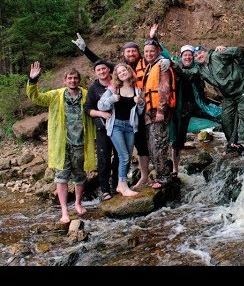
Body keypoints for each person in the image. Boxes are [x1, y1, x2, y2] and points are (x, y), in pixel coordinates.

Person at [72, 32, 170, 190]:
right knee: (129, 150)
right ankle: (127, 182)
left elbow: (156, 55)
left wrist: (167, 59)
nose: (131, 54)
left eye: (134, 51)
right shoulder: (121, 70)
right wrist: (85, 50)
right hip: (124, 118)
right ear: (124, 54)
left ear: (139, 52)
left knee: (146, 145)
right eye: (128, 51)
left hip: (145, 111)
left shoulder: (149, 62)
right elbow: (101, 64)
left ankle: (147, 176)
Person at [26, 61, 96, 224]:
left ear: (79, 80)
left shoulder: (85, 94)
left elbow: (98, 103)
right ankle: (64, 210)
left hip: (80, 143)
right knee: (61, 177)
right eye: (70, 78)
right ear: (64, 80)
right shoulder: (56, 95)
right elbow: (36, 97)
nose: (72, 81)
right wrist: (33, 81)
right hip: (62, 144)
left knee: (80, 175)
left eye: (75, 78)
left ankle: (78, 203)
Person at [172, 45, 244, 155]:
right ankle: (232, 144)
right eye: (196, 55)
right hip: (229, 95)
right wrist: (174, 66)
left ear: (206, 52)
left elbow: (237, 50)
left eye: (200, 53)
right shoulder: (200, 70)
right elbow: (187, 74)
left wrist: (243, 65)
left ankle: (242, 144)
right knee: (226, 117)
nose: (199, 56)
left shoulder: (217, 55)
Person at [169, 45, 222, 174]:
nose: (187, 57)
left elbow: (209, 60)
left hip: (198, 105)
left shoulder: (197, 69)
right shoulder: (175, 68)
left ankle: (233, 144)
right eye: (185, 55)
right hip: (181, 109)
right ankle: (175, 168)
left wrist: (218, 49)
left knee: (222, 116)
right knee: (177, 140)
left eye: (190, 55)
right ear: (181, 57)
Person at [98, 63, 145, 197]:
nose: (123, 73)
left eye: (124, 70)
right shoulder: (113, 89)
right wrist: (113, 99)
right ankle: (123, 186)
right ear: (117, 76)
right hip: (116, 126)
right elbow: (101, 105)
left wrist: (140, 102)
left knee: (127, 156)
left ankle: (120, 185)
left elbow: (140, 112)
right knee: (123, 156)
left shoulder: (137, 91)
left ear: (129, 71)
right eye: (119, 72)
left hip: (130, 126)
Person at [84, 59, 119, 201]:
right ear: (95, 72)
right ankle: (105, 189)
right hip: (102, 128)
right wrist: (101, 114)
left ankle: (117, 185)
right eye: (98, 70)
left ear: (108, 69)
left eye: (104, 69)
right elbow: (87, 109)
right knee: (104, 159)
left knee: (119, 157)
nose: (102, 72)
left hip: (119, 126)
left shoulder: (117, 83)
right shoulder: (93, 88)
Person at [143, 37, 174, 189]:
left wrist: (161, 110)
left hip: (158, 113)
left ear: (158, 51)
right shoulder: (150, 67)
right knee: (152, 147)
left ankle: (164, 178)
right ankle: (160, 175)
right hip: (150, 114)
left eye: (151, 51)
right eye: (146, 51)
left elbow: (164, 89)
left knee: (159, 146)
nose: (149, 53)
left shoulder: (162, 65)